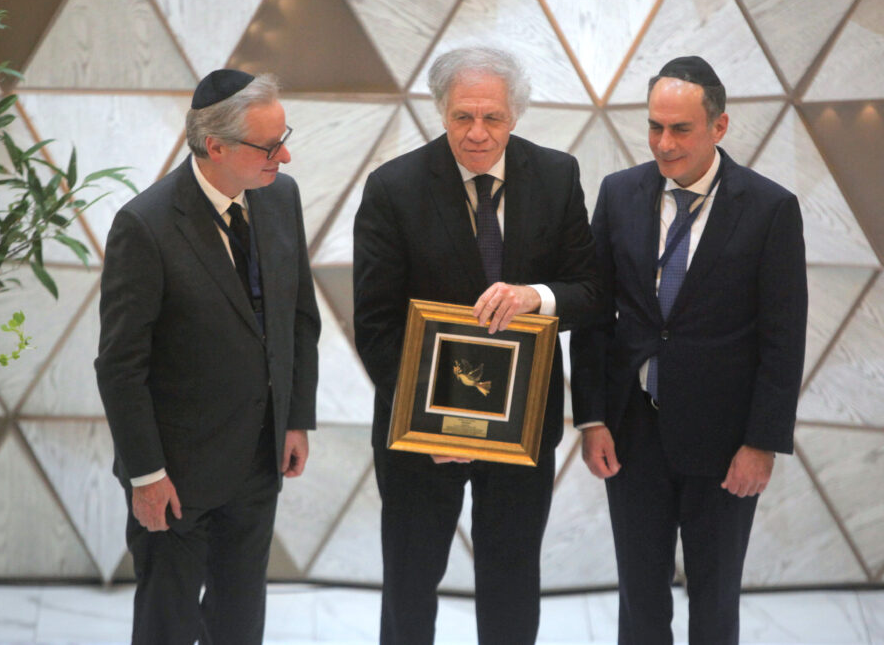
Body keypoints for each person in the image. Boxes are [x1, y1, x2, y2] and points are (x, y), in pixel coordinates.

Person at [353, 47, 599, 645]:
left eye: (492, 117)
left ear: (515, 115)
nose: (478, 133)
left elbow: (591, 292)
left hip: (523, 427)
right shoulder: (393, 188)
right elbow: (376, 324)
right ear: (440, 111)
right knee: (410, 585)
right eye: (463, 116)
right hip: (418, 438)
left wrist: (534, 296)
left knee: (512, 581)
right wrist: (433, 426)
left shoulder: (558, 175)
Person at [570, 56, 807, 644]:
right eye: (654, 127)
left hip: (726, 442)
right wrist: (592, 418)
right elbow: (596, 317)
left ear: (719, 127)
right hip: (632, 431)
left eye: (680, 129)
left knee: (715, 595)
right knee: (639, 597)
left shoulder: (771, 208)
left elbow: (784, 338)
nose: (664, 143)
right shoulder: (620, 192)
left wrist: (761, 442)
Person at [95, 69, 320, 645]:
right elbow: (121, 365)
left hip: (257, 461)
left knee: (240, 623)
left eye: (283, 136)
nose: (285, 155)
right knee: (167, 625)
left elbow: (298, 318)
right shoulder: (144, 226)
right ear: (214, 146)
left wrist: (295, 417)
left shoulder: (278, 196)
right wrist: (146, 475)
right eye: (270, 146)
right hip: (175, 476)